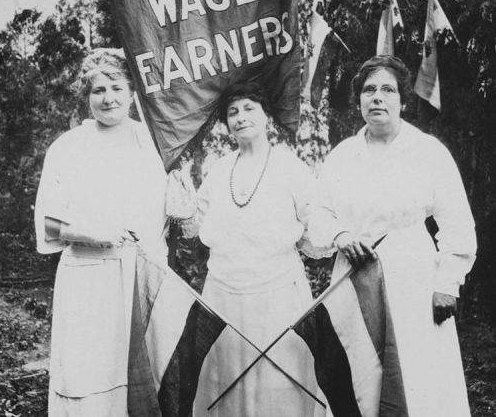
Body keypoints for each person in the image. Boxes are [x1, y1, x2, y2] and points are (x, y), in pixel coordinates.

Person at [309, 55, 477, 417]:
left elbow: (457, 223)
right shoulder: (342, 156)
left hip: (413, 278)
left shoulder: (428, 151)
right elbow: (318, 214)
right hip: (354, 280)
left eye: (387, 89)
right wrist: (340, 234)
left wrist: (448, 283)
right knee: (362, 377)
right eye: (369, 90)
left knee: (418, 378)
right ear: (359, 101)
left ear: (403, 100)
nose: (377, 98)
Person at [179, 80, 326, 416]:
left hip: (278, 295)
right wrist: (179, 190)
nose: (241, 117)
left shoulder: (290, 166)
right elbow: (194, 225)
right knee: (226, 379)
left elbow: (315, 223)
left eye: (249, 109)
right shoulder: (218, 170)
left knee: (280, 376)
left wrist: (333, 237)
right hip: (223, 296)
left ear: (266, 116)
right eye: (233, 112)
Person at [34, 48, 168, 416]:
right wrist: (96, 232)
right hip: (88, 282)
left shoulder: (153, 143)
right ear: (87, 96)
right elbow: (48, 221)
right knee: (88, 375)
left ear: (132, 92)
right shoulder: (68, 148)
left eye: (116, 87)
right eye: (98, 90)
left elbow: (171, 215)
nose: (108, 98)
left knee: (145, 378)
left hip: (142, 279)